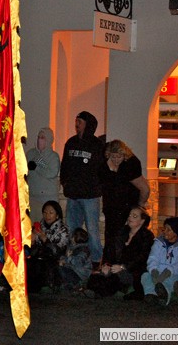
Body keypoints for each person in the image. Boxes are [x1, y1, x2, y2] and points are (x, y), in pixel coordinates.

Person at [60, 111, 105, 266]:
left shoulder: (97, 145)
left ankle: (96, 260)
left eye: (79, 121)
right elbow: (64, 165)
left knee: (92, 229)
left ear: (88, 124)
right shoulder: (71, 142)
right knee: (72, 228)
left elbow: (101, 169)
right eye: (75, 120)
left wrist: (95, 186)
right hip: (72, 194)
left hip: (90, 196)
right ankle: (74, 258)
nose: (76, 124)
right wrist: (65, 183)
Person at [86, 207, 154, 300]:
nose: (130, 218)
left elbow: (141, 258)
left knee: (114, 278)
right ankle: (98, 291)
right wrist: (106, 264)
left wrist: (122, 267)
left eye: (134, 216)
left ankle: (103, 292)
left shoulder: (146, 236)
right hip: (115, 267)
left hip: (132, 270)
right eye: (130, 215)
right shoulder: (122, 232)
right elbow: (110, 251)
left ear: (142, 221)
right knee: (96, 276)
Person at [99, 140, 150, 252]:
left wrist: (140, 205)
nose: (117, 160)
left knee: (124, 237)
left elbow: (145, 189)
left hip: (128, 207)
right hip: (111, 207)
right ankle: (108, 263)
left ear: (124, 155)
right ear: (109, 155)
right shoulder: (104, 165)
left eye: (119, 157)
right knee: (110, 237)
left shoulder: (131, 164)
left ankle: (122, 263)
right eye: (114, 157)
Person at [27, 200, 70, 293]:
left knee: (42, 265)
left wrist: (45, 239)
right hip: (39, 257)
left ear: (57, 215)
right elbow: (32, 250)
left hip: (55, 259)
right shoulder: (39, 227)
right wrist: (32, 241)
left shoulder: (63, 230)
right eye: (45, 213)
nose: (47, 215)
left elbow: (58, 252)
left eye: (51, 213)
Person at [141, 217, 178, 305]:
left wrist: (168, 272)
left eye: (169, 230)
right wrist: (153, 270)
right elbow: (153, 258)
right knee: (145, 276)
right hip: (158, 272)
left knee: (173, 279)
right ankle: (151, 295)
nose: (165, 231)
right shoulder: (158, 242)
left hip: (174, 273)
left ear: (176, 232)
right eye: (165, 229)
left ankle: (165, 295)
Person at [26, 127, 60, 224]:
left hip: (47, 199)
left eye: (43, 138)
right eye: (38, 137)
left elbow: (52, 173)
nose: (39, 140)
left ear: (48, 140)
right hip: (32, 198)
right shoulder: (30, 154)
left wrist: (37, 167)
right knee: (32, 227)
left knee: (46, 227)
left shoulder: (53, 156)